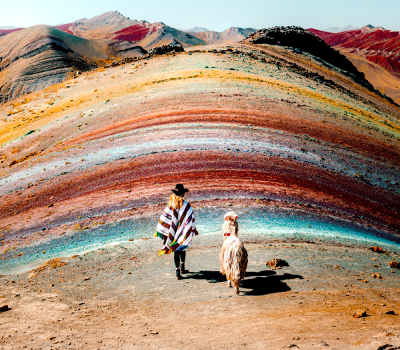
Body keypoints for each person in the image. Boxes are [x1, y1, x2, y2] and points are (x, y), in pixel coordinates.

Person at [155, 184, 198, 279]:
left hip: (172, 231)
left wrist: (162, 229)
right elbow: (190, 219)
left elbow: (164, 218)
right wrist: (193, 228)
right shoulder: (186, 205)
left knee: (176, 250)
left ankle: (178, 272)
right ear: (183, 194)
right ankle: (182, 268)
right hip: (183, 231)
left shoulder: (170, 205)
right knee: (182, 247)